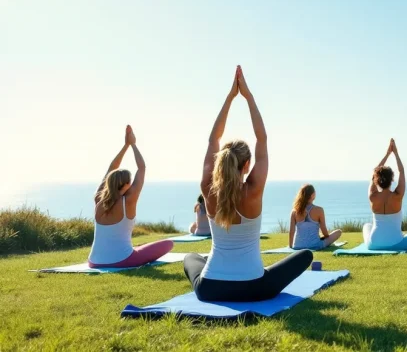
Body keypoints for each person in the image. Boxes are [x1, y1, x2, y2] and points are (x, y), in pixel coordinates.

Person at [183, 66, 312, 302]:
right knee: (305, 255)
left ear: (220, 164)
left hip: (209, 288)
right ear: (247, 164)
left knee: (190, 257)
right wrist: (248, 97)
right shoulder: (253, 190)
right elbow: (262, 138)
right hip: (254, 288)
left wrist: (230, 97)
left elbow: (213, 139)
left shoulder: (208, 189)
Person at [88, 125, 174, 268]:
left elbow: (112, 168)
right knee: (168, 244)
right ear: (127, 184)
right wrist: (133, 144)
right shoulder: (128, 200)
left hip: (94, 262)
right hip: (123, 260)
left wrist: (125, 146)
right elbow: (142, 168)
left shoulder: (98, 199)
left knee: (142, 247)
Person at [363, 139, 407, 250]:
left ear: (376, 180)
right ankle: (401, 236)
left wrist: (387, 154)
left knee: (366, 226)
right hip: (397, 243)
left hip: (373, 245)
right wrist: (395, 153)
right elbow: (401, 171)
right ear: (392, 179)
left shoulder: (372, 197)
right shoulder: (398, 195)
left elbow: (374, 173)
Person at [289, 184, 343, 250]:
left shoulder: (294, 211)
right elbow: (324, 231)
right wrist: (326, 237)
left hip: (298, 245)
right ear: (312, 195)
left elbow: (292, 231)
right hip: (315, 245)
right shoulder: (319, 210)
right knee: (338, 232)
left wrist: (291, 246)